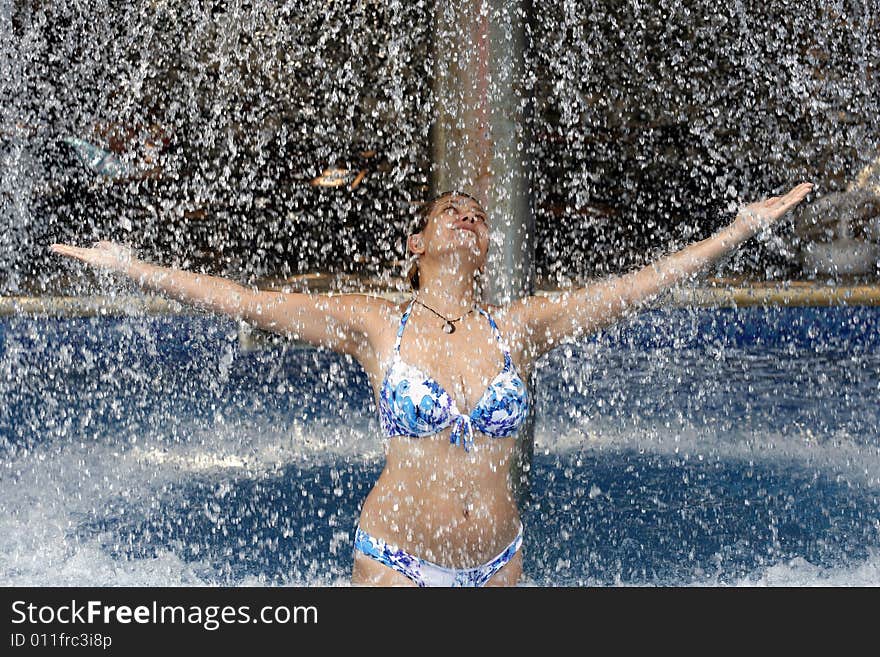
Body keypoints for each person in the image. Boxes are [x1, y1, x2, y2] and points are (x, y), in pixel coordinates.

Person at [49, 182, 814, 586]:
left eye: (477, 215)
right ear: (415, 244)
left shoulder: (520, 327)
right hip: (397, 564)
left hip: (499, 562)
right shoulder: (375, 325)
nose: (466, 218)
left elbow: (636, 286)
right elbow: (249, 301)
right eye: (449, 211)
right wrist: (128, 266)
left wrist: (739, 229)